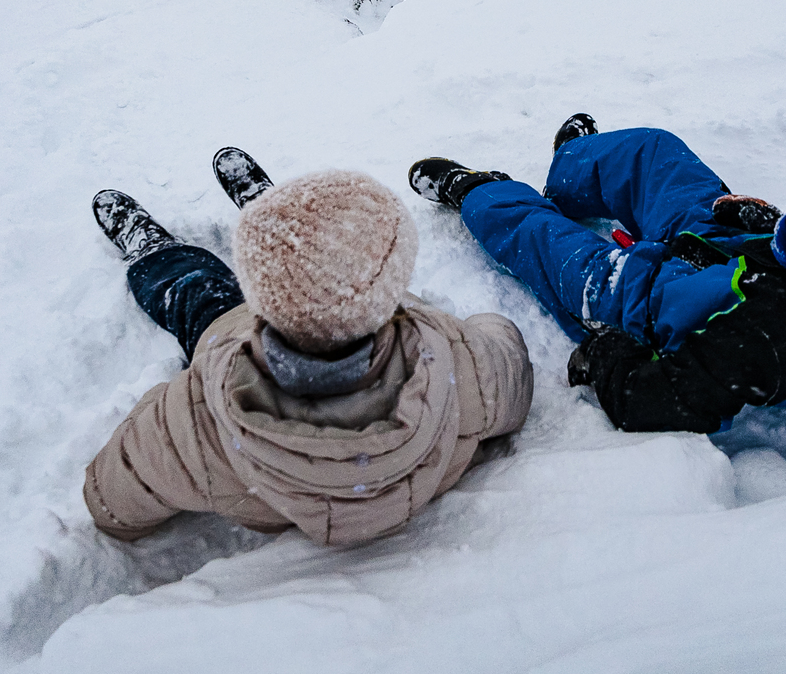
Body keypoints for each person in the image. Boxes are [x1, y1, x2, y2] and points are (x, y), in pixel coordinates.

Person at [82, 149, 533, 548]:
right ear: (386, 293)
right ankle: (300, 235)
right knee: (323, 253)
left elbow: (111, 498)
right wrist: (479, 327)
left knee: (194, 293)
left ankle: (161, 251)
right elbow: (508, 361)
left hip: (226, 331)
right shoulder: (457, 365)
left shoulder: (195, 419)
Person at [407, 121, 786, 435]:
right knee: (657, 154)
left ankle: (479, 191)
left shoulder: (765, 339)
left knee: (548, 241)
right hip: (732, 252)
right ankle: (575, 165)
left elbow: (664, 400)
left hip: (654, 304)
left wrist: (609, 357)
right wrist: (768, 229)